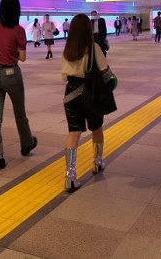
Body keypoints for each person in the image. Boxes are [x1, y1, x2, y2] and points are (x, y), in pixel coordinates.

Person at [61, 14, 113, 192]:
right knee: (96, 128)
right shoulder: (93, 47)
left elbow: (63, 77)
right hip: (90, 94)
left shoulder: (67, 49)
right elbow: (105, 72)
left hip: (70, 95)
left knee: (74, 133)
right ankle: (97, 162)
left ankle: (70, 175)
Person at [0, 0, 37, 172]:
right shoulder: (18, 30)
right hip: (11, 75)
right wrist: (12, 54)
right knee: (19, 113)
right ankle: (26, 144)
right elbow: (22, 58)